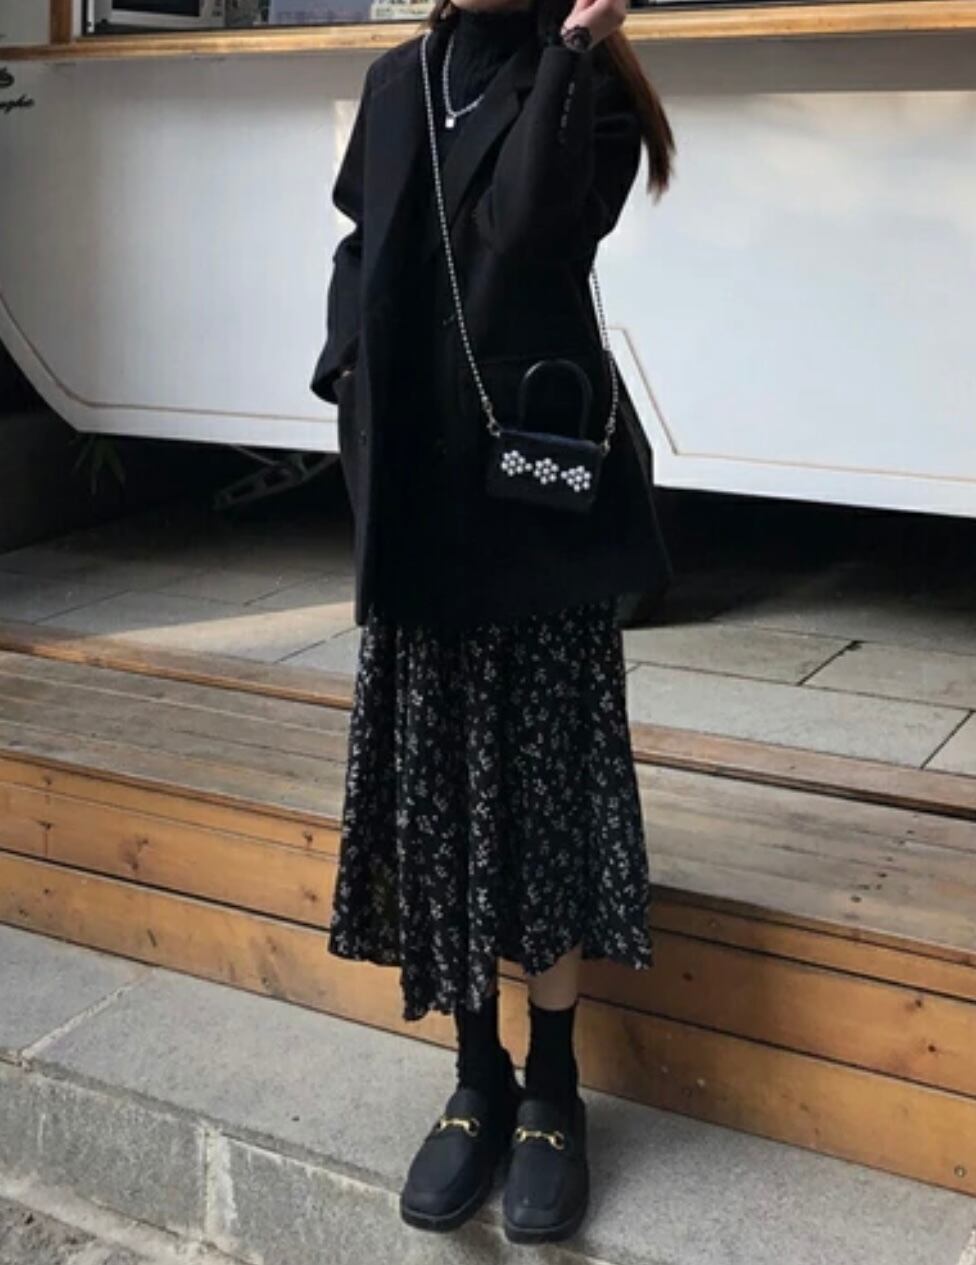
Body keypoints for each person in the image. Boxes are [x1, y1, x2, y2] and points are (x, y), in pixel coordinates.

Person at [310, 0, 674, 1244]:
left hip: (530, 516)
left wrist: (570, 51)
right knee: (444, 804)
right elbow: (359, 233)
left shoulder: (592, 91)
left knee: (546, 809)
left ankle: (554, 1086)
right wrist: (347, 366)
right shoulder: (395, 78)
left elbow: (528, 238)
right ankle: (477, 1072)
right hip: (416, 509)